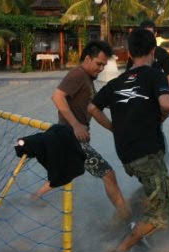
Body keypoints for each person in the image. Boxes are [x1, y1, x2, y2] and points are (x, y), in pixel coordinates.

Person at [88, 28, 169, 252]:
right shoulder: (155, 74)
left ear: (129, 52)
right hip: (148, 151)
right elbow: (166, 105)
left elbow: (92, 108)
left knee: (151, 190)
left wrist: (112, 128)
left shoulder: (116, 83)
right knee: (163, 210)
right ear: (153, 51)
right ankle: (122, 248)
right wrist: (160, 117)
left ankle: (134, 228)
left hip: (126, 155)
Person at [32, 40, 130, 220]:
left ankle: (33, 197)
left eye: (103, 66)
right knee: (108, 174)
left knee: (66, 172)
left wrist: (114, 129)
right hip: (71, 138)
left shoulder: (87, 79)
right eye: (98, 64)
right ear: (87, 58)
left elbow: (93, 110)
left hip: (69, 137)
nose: (100, 69)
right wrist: (76, 125)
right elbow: (57, 97)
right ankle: (124, 215)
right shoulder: (77, 74)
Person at [126, 20, 169, 89]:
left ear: (155, 34)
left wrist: (167, 93)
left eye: (150, 34)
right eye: (145, 34)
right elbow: (129, 74)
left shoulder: (162, 53)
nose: (147, 37)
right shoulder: (136, 52)